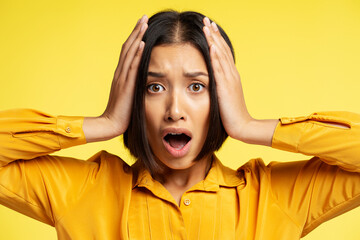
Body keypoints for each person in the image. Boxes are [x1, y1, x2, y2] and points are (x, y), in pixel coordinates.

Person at [0, 10, 359, 240]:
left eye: (196, 87)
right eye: (154, 87)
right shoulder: (83, 192)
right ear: (134, 100)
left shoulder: (274, 198)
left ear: (221, 98)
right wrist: (104, 122)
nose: (174, 109)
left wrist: (250, 126)